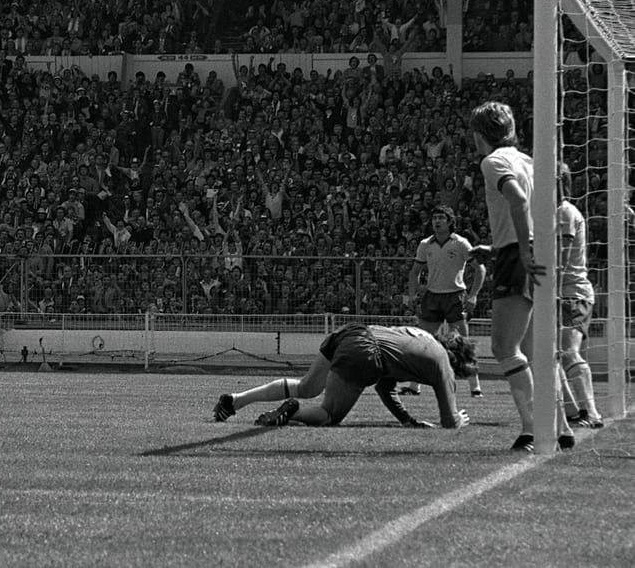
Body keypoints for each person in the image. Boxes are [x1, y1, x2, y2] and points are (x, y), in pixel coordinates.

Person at [465, 100, 565, 452]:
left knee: (504, 347)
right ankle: (561, 426)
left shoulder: (493, 161)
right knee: (534, 349)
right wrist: (499, 247)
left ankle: (533, 428)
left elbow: (519, 200)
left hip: (521, 254)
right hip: (541, 250)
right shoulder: (530, 162)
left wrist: (520, 249)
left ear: (480, 133)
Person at [212, 323, 475, 429]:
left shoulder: (420, 335)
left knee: (306, 386)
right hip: (367, 352)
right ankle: (293, 412)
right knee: (328, 415)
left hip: (351, 332)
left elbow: (385, 387)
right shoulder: (443, 362)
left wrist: (407, 420)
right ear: (457, 359)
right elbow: (449, 422)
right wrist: (458, 420)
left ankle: (236, 400)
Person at [400, 206, 486, 397]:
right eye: (434, 218)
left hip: (455, 296)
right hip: (432, 296)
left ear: (449, 221)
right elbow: (415, 272)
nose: (437, 221)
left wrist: (473, 295)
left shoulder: (461, 243)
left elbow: (480, 269)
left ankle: (475, 387)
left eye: (441, 218)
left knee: (464, 342)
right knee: (421, 341)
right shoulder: (425, 244)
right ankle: (415, 387)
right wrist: (412, 294)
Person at [554, 163, 603, 429]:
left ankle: (592, 412)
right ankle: (573, 411)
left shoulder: (564, 212)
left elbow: (561, 259)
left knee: (569, 352)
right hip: (558, 293)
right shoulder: (552, 212)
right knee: (551, 356)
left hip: (571, 293)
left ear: (561, 182)